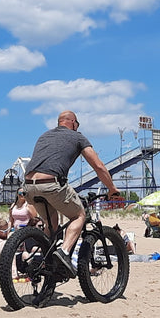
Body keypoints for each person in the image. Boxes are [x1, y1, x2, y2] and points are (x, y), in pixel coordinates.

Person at [21, 111, 119, 275]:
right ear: (73, 122)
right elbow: (98, 166)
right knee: (78, 215)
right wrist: (112, 189)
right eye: (77, 124)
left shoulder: (44, 136)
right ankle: (64, 252)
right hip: (51, 184)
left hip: (29, 186)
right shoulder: (78, 137)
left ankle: (46, 261)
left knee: (51, 224)